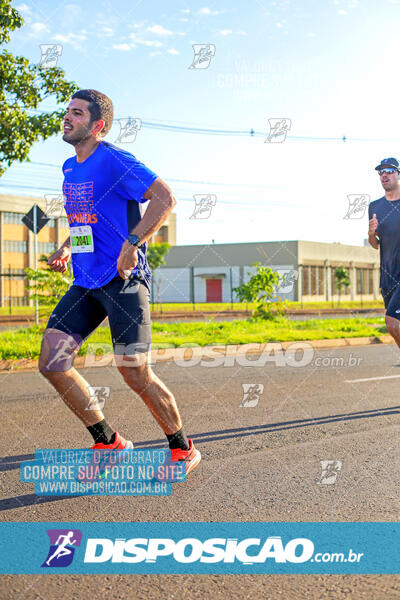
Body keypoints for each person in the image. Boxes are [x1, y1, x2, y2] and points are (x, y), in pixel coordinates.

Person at [39, 89, 201, 478]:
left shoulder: (114, 160)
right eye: (67, 112)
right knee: (52, 362)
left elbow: (165, 198)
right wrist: (65, 247)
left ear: (97, 125)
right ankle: (108, 442)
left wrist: (132, 244)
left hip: (124, 280)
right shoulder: (69, 168)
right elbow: (85, 221)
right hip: (87, 281)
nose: (67, 118)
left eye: (76, 114)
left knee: (133, 371)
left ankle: (183, 448)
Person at [368, 157, 400, 346]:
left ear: (398, 174)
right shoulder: (375, 206)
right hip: (387, 276)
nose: (384, 175)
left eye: (389, 171)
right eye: (381, 172)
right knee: (394, 325)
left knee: (391, 322)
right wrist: (371, 233)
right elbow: (375, 243)